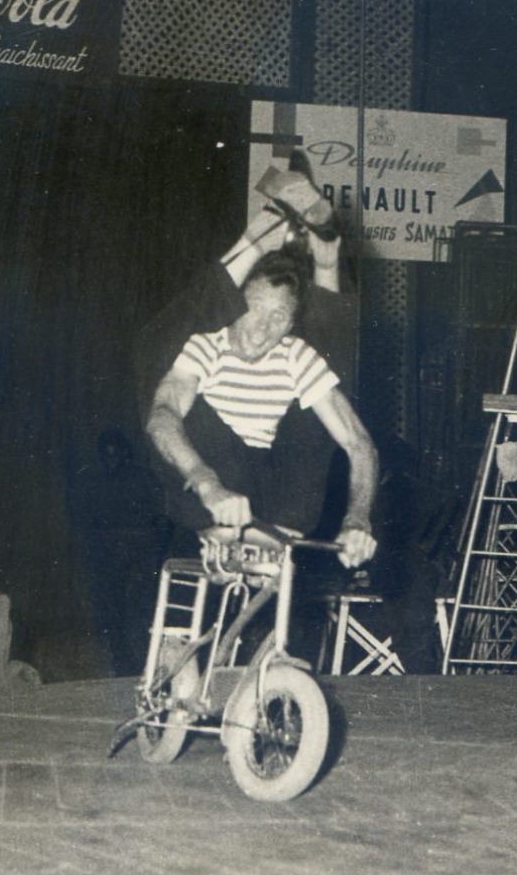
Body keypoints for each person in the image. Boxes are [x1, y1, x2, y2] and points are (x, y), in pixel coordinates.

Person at [145, 248, 378, 570]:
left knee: (318, 400)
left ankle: (275, 535)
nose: (260, 329)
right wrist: (206, 483)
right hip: (212, 484)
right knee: (171, 406)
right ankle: (222, 528)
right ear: (236, 306)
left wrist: (357, 521)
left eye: (278, 317)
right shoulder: (206, 346)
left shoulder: (295, 353)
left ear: (291, 323)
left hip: (275, 497)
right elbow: (161, 417)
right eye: (254, 309)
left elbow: (358, 442)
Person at [74, 428, 171, 676]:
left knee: (142, 616)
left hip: (142, 558)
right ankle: (123, 670)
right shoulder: (97, 484)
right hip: (111, 560)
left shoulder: (144, 479)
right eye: (106, 456)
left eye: (116, 455)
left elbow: (162, 521)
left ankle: (149, 670)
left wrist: (154, 559)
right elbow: (90, 525)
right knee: (113, 618)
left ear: (126, 453)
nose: (112, 461)